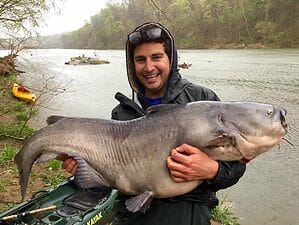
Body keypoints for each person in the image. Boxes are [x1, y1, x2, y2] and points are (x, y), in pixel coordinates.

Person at [63, 22, 246, 225]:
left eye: (156, 57)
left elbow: (236, 168)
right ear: (132, 65)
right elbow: (114, 179)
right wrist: (86, 168)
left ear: (171, 59)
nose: (149, 67)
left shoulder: (201, 99)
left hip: (189, 214)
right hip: (136, 216)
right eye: (140, 60)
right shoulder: (123, 112)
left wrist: (212, 170)